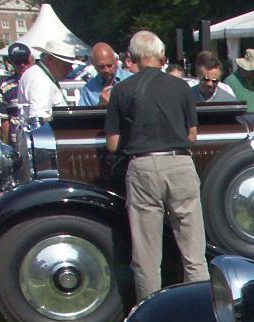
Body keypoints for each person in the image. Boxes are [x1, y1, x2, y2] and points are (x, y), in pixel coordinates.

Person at [104, 29, 207, 301]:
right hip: (180, 164)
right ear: (162, 56)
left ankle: (151, 312)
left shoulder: (121, 90)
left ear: (133, 58)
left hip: (143, 167)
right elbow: (192, 136)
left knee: (147, 254)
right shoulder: (181, 87)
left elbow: (113, 144)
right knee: (193, 249)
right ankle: (199, 306)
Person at [17, 39, 73, 121]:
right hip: (49, 133)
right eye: (66, 65)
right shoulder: (40, 80)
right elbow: (39, 119)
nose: (70, 69)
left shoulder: (37, 74)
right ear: (50, 59)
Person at [77, 43, 131, 107]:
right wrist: (100, 106)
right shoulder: (89, 89)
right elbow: (83, 115)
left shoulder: (132, 80)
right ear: (94, 64)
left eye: (109, 65)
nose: (106, 70)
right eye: (101, 67)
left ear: (116, 61)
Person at [0, 42, 32, 141]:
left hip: (40, 136)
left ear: (30, 59)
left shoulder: (41, 80)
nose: (22, 64)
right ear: (10, 61)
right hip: (17, 138)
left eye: (25, 60)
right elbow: (4, 118)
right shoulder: (5, 85)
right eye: (18, 61)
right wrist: (6, 143)